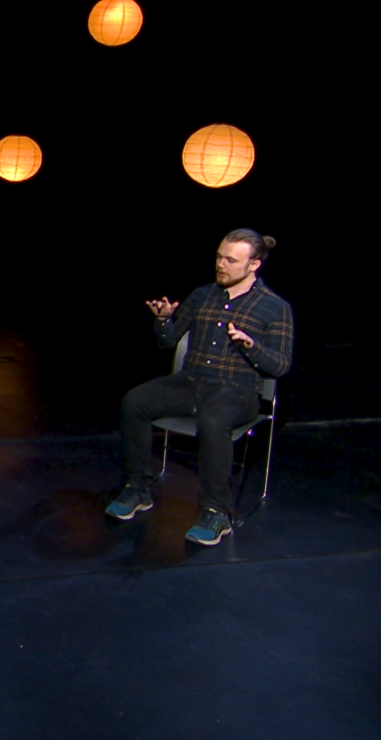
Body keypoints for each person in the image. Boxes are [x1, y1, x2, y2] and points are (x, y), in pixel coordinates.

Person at [105, 229, 295, 546]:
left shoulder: (275, 308)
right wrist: (163, 320)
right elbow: (167, 343)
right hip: (191, 382)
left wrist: (251, 347)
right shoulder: (202, 295)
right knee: (135, 401)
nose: (221, 264)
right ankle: (137, 489)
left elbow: (281, 365)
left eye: (231, 260)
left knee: (213, 420)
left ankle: (216, 512)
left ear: (254, 265)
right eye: (219, 257)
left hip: (238, 391)